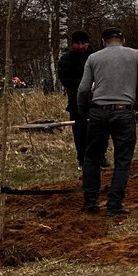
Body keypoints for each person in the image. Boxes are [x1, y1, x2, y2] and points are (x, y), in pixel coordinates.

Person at [77, 27, 138, 216]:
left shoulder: (93, 58)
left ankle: (90, 201)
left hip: (98, 113)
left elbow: (83, 90)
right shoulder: (136, 55)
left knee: (92, 156)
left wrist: (83, 112)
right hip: (124, 112)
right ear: (123, 40)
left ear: (103, 41)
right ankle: (114, 204)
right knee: (122, 160)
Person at [57, 30, 99, 171]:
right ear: (72, 44)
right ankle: (82, 159)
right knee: (80, 132)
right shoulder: (66, 60)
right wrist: (84, 86)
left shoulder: (96, 56)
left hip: (97, 100)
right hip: (76, 101)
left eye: (83, 44)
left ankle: (99, 156)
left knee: (98, 130)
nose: (81, 47)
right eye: (78, 44)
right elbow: (67, 80)